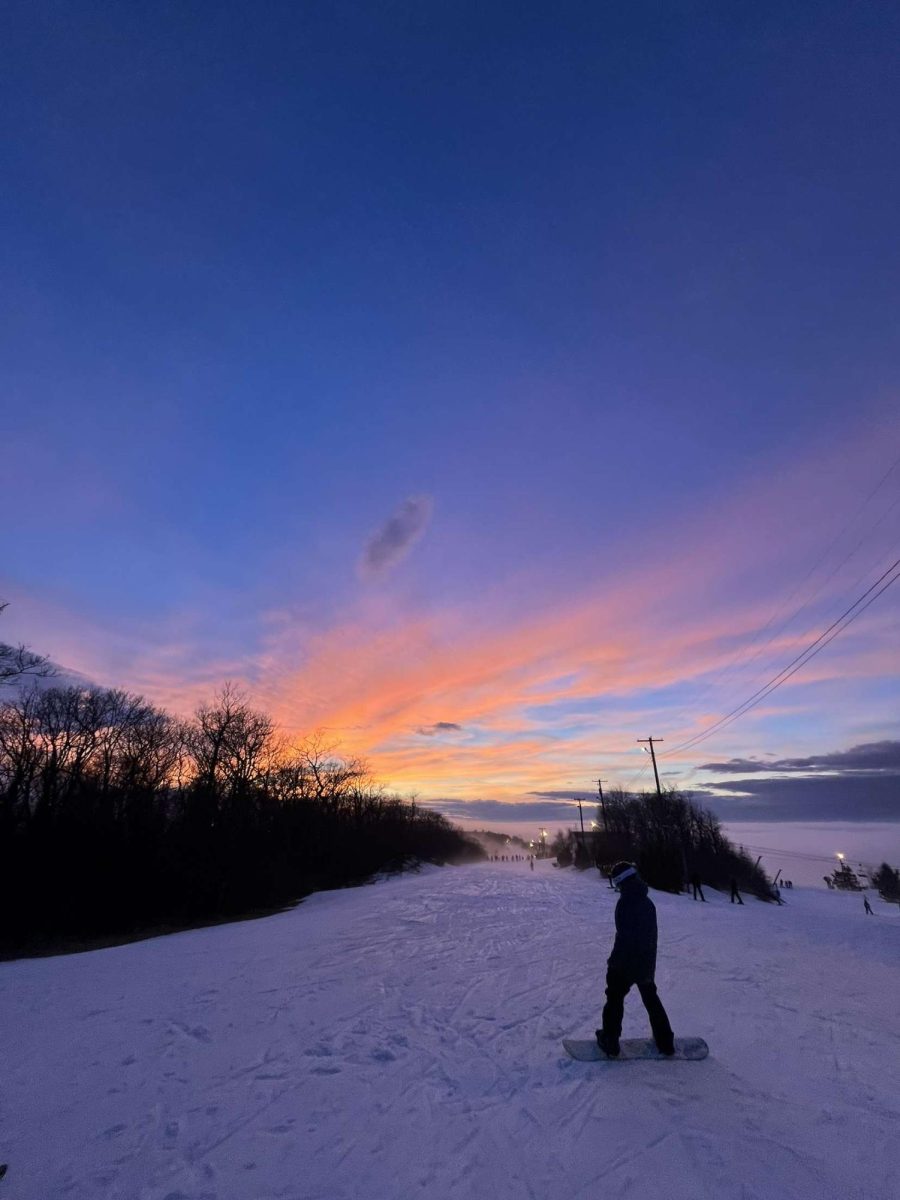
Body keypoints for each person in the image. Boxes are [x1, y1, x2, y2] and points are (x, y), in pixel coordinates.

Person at [596, 861, 675, 1058]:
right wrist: (646, 966)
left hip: (625, 962)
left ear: (621, 882)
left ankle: (610, 1040)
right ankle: (665, 1041)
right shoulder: (646, 902)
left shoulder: (625, 902)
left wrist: (614, 963)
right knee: (650, 998)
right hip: (645, 962)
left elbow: (625, 937)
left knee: (614, 998)